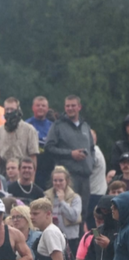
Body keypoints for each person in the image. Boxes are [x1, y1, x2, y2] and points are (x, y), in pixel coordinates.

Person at [45, 95, 94, 237]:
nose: (70, 108)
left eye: (73, 105)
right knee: (67, 215)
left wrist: (91, 161)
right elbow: (49, 147)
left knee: (83, 213)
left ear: (79, 107)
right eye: (67, 106)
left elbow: (92, 148)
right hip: (68, 176)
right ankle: (66, 247)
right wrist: (70, 154)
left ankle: (80, 251)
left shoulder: (85, 125)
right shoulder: (58, 125)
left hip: (85, 175)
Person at [0, 97, 39, 176]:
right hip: (4, 171)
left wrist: (32, 178)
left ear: (18, 110)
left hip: (23, 171)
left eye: (12, 109)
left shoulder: (29, 129)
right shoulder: (0, 130)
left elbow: (33, 156)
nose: (9, 112)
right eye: (7, 109)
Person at [45, 166, 82, 255]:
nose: (58, 183)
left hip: (70, 238)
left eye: (61, 180)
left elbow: (73, 217)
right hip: (52, 237)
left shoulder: (75, 197)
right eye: (55, 180)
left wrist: (62, 201)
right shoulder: (47, 196)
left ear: (67, 181)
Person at [27, 96, 54, 188]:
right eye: (38, 105)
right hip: (31, 166)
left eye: (43, 106)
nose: (40, 108)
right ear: (33, 107)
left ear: (47, 108)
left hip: (48, 167)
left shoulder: (53, 126)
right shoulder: (27, 125)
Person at [88, 129, 108, 230]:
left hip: (94, 194)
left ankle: (94, 241)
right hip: (99, 192)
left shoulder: (93, 152)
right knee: (96, 221)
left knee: (93, 222)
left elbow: (85, 169)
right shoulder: (98, 151)